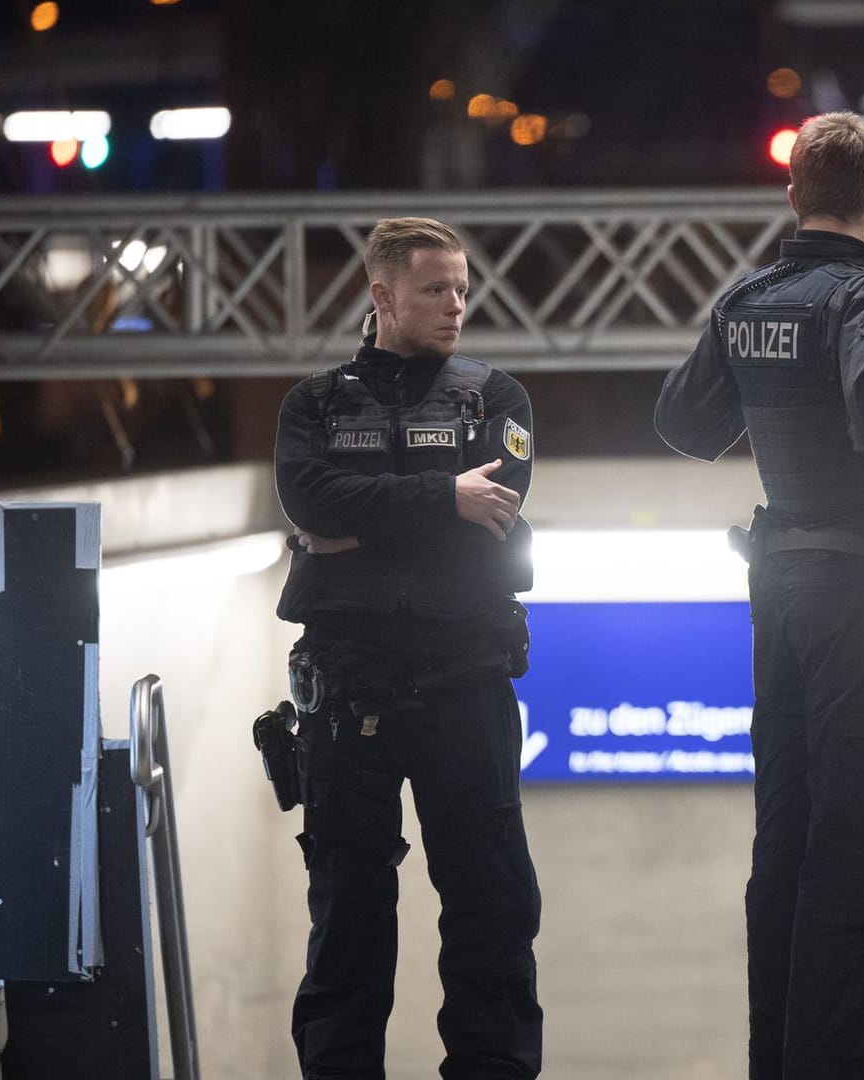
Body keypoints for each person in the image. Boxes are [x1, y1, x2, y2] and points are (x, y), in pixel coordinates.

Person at [654, 111, 864, 1080]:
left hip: (780, 593)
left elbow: (681, 422)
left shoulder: (749, 297)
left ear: (793, 193)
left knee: (785, 844)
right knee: (863, 849)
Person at [272, 216, 542, 1080]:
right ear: (382, 297)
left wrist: (359, 525)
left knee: (491, 914)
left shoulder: (497, 397)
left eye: (462, 289)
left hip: (468, 684)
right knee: (347, 919)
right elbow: (309, 501)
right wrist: (438, 501)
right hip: (348, 696)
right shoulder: (313, 403)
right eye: (435, 289)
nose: (456, 305)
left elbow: (493, 514)